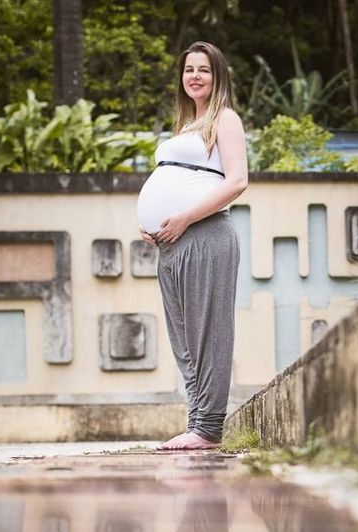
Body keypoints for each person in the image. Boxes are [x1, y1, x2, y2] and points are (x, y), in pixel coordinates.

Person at [138, 41, 249, 451]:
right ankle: (196, 422)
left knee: (208, 334)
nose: (195, 76)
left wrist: (183, 216)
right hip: (171, 245)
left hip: (206, 236)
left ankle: (208, 428)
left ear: (217, 75)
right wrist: (152, 223)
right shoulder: (185, 126)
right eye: (189, 70)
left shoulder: (226, 119)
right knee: (183, 338)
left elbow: (236, 181)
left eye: (204, 69)